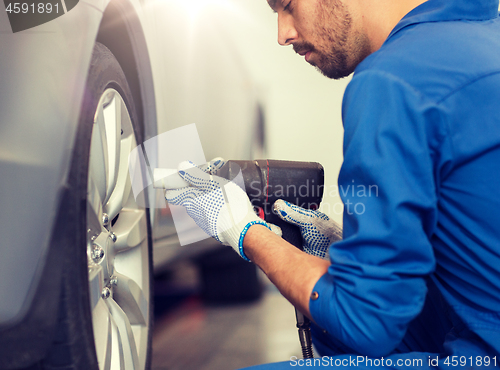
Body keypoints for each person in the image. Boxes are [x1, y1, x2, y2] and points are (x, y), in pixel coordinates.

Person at [165, 0, 500, 367]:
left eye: (287, 5)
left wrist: (247, 233)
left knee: (344, 323)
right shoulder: (483, 36)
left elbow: (366, 322)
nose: (282, 34)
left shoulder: (393, 80)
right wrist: (349, 252)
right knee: (335, 327)